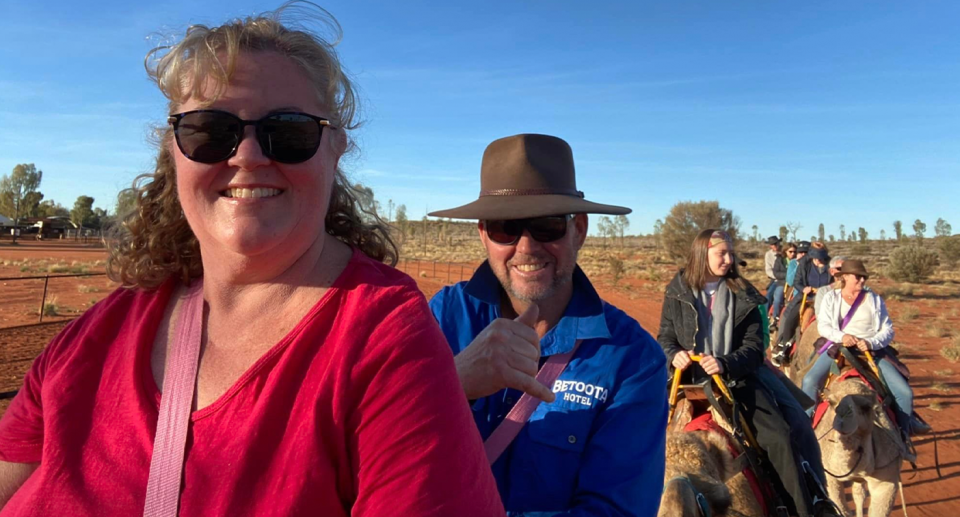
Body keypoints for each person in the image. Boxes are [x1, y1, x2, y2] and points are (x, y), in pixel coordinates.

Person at [0, 5, 505, 516]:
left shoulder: (383, 339)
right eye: (208, 131)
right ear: (173, 151)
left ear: (334, 149)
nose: (246, 156)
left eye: (288, 132)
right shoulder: (93, 336)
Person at [428, 134, 668, 516]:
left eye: (546, 225)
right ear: (483, 234)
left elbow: (616, 509)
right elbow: (368, 445)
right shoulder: (440, 319)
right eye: (506, 227)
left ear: (579, 230)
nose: (526, 247)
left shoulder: (632, 360)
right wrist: (453, 382)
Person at [658, 229, 829, 517]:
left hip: (736, 378)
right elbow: (665, 336)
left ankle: (806, 507)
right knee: (633, 432)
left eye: (730, 253)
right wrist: (674, 354)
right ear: (702, 255)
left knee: (781, 436)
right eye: (721, 254)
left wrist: (725, 363)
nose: (729, 259)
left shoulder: (744, 293)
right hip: (685, 380)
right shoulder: (677, 291)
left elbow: (754, 346)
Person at [802, 260, 931, 436]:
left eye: (864, 277)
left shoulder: (874, 299)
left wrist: (871, 342)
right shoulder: (831, 298)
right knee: (810, 381)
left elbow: (887, 329)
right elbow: (824, 326)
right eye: (858, 277)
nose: (862, 281)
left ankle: (904, 435)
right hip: (839, 349)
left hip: (870, 351)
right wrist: (843, 337)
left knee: (904, 393)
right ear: (845, 277)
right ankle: (803, 429)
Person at [772, 246, 833, 366]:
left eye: (821, 258)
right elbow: (797, 282)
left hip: (827, 298)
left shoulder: (830, 265)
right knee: (790, 317)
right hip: (807, 297)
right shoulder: (804, 263)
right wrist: (804, 288)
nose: (819, 260)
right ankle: (784, 347)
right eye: (816, 258)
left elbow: (835, 281)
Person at [763, 236, 781, 309]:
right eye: (773, 244)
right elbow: (768, 270)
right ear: (770, 245)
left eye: (776, 243)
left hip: (788, 277)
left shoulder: (785, 251)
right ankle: (765, 315)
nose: (775, 245)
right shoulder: (768, 254)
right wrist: (777, 276)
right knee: (769, 295)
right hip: (776, 278)